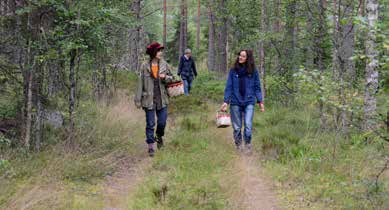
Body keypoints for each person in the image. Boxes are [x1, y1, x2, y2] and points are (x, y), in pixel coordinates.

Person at [221, 50, 265, 154]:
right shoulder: (233, 71)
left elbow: (257, 87)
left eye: (243, 56)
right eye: (240, 55)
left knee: (248, 125)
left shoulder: (253, 71)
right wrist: (226, 101)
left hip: (249, 101)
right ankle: (239, 145)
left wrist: (260, 101)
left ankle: (248, 144)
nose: (240, 57)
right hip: (235, 101)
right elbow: (229, 86)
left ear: (248, 58)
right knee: (237, 127)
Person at [134, 42, 173, 157]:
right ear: (153, 52)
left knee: (162, 122)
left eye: (161, 51)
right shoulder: (144, 66)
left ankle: (159, 136)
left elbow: (173, 78)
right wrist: (138, 99)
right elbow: (140, 83)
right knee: (150, 124)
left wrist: (165, 77)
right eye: (158, 51)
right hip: (148, 100)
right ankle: (151, 147)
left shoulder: (165, 65)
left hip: (162, 99)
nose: (161, 53)